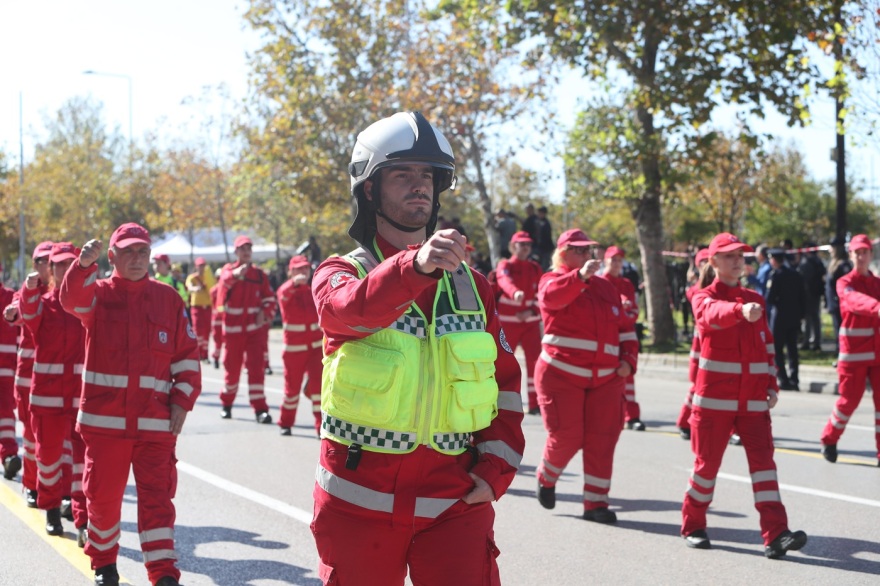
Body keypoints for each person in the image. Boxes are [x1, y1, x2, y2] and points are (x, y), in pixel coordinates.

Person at [311, 111, 524, 585]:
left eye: (427, 175)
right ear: (370, 189)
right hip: (357, 504)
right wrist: (413, 266)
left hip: (455, 504)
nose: (419, 186)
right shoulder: (340, 272)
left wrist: (495, 470)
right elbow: (344, 311)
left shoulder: (475, 287)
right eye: (403, 175)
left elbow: (506, 386)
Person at [60, 222, 201, 586]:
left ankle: (163, 573)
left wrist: (182, 401)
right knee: (104, 502)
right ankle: (104, 563)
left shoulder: (168, 298)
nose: (137, 259)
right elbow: (70, 299)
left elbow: (186, 356)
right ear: (112, 257)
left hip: (155, 425)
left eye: (142, 252)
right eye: (127, 252)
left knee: (158, 503)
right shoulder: (98, 294)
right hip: (105, 426)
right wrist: (82, 266)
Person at [681, 232, 807, 559]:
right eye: (728, 256)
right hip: (713, 403)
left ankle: (776, 534)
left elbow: (766, 346)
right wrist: (739, 312)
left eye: (741, 256)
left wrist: (771, 384)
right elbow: (709, 314)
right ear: (713, 262)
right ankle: (693, 524)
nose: (737, 261)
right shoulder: (702, 295)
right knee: (706, 469)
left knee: (765, 467)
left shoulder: (756, 299)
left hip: (752, 402)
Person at [535, 229, 638, 524]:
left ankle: (596, 503)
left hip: (606, 379)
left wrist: (629, 361)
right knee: (567, 436)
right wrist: (579, 278)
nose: (585, 256)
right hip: (561, 374)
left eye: (588, 250)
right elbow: (552, 299)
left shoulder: (606, 287)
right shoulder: (552, 279)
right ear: (563, 253)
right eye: (578, 251)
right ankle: (547, 476)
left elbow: (626, 328)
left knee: (602, 440)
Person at [19, 242, 87, 541]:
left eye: (68, 264)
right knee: (48, 459)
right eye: (57, 264)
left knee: (82, 461)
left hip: (81, 398)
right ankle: (50, 510)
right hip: (47, 397)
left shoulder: (86, 303)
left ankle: (82, 515)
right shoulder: (42, 303)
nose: (63, 269)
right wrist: (28, 289)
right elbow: (27, 311)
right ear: (50, 269)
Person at [820, 234, 880, 465]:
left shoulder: (877, 283)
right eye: (858, 252)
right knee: (849, 401)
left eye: (865, 252)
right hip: (854, 353)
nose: (862, 257)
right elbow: (855, 302)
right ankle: (829, 438)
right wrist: (877, 307)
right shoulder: (844, 282)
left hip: (877, 353)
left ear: (870, 254)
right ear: (851, 255)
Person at [2, 241, 54, 504]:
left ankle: (64, 494)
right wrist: (14, 312)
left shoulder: (67, 291)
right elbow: (16, 312)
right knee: (33, 437)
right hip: (30, 376)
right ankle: (32, 485)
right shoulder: (26, 291)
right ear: (35, 265)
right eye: (45, 261)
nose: (51, 266)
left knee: (65, 441)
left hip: (62, 377)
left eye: (55, 260)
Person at [218, 236, 276, 423]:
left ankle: (260, 410)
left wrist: (265, 313)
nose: (246, 251)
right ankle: (226, 404)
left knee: (256, 370)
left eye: (248, 248)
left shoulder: (259, 275)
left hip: (254, 332)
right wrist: (236, 274)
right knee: (232, 370)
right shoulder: (228, 271)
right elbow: (223, 286)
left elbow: (270, 299)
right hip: (233, 332)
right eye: (242, 248)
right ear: (236, 252)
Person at [494, 231, 543, 414]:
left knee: (535, 362)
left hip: (530, 322)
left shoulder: (535, 267)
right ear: (513, 246)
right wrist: (515, 293)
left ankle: (535, 403)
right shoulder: (505, 265)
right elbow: (504, 280)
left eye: (528, 245)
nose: (525, 248)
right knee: (503, 363)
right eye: (522, 244)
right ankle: (497, 400)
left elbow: (541, 292)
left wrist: (532, 311)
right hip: (508, 323)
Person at [275, 255, 322, 436]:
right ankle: (285, 422)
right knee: (291, 390)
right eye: (299, 269)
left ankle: (321, 426)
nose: (303, 272)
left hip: (316, 348)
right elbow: (283, 296)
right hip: (294, 350)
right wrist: (295, 284)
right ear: (291, 271)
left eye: (306, 269)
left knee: (319, 390)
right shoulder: (286, 290)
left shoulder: (313, 288)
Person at [599, 245, 645, 430]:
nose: (617, 264)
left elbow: (634, 310)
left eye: (620, 260)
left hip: (625, 335)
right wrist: (620, 312)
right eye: (613, 260)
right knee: (605, 376)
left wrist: (623, 314)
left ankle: (632, 416)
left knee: (628, 376)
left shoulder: (626, 283)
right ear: (606, 261)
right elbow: (601, 312)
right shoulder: (600, 282)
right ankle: (605, 415)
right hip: (606, 336)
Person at [677, 248, 712, 440]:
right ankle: (685, 421)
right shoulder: (696, 290)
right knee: (697, 383)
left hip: (720, 341)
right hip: (701, 340)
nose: (707, 266)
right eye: (703, 262)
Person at [766, 249, 806, 390]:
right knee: (792, 349)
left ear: (774, 260)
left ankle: (784, 379)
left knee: (778, 350)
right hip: (794, 316)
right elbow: (803, 296)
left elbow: (769, 298)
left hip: (779, 318)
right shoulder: (795, 274)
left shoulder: (776, 275)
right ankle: (794, 379)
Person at [0, 279, 19, 482]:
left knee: (5, 415)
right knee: (5, 415)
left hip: (6, 367)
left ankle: (8, 456)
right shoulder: (10, 297)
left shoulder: (11, 298)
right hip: (6, 368)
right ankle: (8, 455)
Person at [185, 257, 216, 362]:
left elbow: (213, 288)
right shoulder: (192, 277)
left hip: (208, 307)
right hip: (197, 307)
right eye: (200, 266)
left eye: (203, 265)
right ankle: (197, 354)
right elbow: (189, 286)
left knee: (207, 331)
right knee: (198, 331)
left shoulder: (208, 277)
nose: (202, 268)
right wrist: (194, 289)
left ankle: (205, 354)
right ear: (196, 266)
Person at [825, 236, 852, 350]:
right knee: (837, 331)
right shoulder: (835, 264)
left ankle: (842, 353)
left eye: (832, 247)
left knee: (841, 332)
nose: (830, 250)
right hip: (834, 304)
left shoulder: (843, 265)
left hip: (840, 304)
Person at [797, 244, 825, 350]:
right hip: (817, 294)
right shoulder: (819, 262)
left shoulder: (806, 262)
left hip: (808, 294)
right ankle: (816, 341)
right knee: (816, 318)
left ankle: (806, 341)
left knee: (808, 318)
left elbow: (802, 279)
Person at [209, 269, 224, 369]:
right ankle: (216, 358)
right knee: (218, 342)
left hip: (226, 319)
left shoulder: (228, 288)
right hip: (217, 319)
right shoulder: (214, 290)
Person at [533, 206, 554, 270]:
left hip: (545, 248)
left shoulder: (546, 223)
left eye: (540, 213)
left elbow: (547, 237)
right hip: (539, 247)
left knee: (545, 266)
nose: (539, 214)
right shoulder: (537, 222)